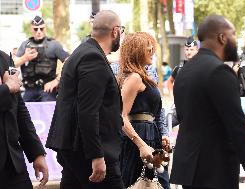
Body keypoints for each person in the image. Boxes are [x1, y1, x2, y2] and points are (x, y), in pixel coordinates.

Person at [170, 15, 245, 189]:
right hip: (214, 169)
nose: (236, 40)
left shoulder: (184, 71)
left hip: (189, 169)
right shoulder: (219, 71)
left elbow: (183, 116)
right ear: (222, 37)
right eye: (233, 35)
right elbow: (237, 126)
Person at [46, 10, 125, 189]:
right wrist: (96, 156)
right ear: (115, 31)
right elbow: (88, 111)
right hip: (88, 152)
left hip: (76, 149)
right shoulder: (92, 57)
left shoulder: (82, 52)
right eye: (121, 30)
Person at [118, 32, 170, 189]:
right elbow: (121, 116)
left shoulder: (141, 75)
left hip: (149, 136)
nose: (152, 50)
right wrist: (141, 145)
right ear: (137, 51)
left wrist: (160, 135)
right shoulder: (134, 78)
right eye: (149, 48)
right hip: (139, 139)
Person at [0, 50, 48, 189]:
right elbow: (9, 89)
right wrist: (6, 88)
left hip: (13, 164)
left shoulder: (4, 58)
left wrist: (37, 153)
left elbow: (19, 110)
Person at [14, 15, 69, 102]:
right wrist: (24, 58)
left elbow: (70, 62)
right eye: (36, 29)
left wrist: (57, 81)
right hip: (29, 89)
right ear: (31, 29)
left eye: (41, 28)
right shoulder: (25, 45)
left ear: (45, 28)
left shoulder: (54, 45)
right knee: (23, 113)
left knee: (48, 114)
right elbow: (13, 64)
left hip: (47, 89)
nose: (39, 31)